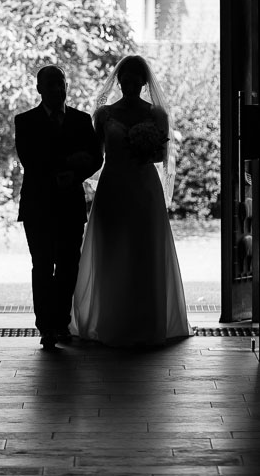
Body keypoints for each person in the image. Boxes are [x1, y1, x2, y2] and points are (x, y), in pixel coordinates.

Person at [70, 55, 192, 347]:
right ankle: (110, 320)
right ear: (119, 80)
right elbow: (96, 154)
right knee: (112, 252)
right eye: (125, 79)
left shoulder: (157, 115)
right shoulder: (104, 115)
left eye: (136, 80)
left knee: (143, 252)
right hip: (113, 187)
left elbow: (162, 156)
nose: (130, 84)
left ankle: (147, 322)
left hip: (144, 189)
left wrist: (143, 148)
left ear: (144, 82)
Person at [15, 65, 103, 349]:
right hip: (38, 204)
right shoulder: (24, 121)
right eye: (50, 84)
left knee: (68, 265)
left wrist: (76, 175)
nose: (56, 88)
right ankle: (46, 327)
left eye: (60, 83)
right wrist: (66, 166)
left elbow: (95, 157)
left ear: (67, 85)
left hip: (69, 203)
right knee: (41, 265)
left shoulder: (81, 120)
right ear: (39, 89)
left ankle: (61, 323)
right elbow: (30, 159)